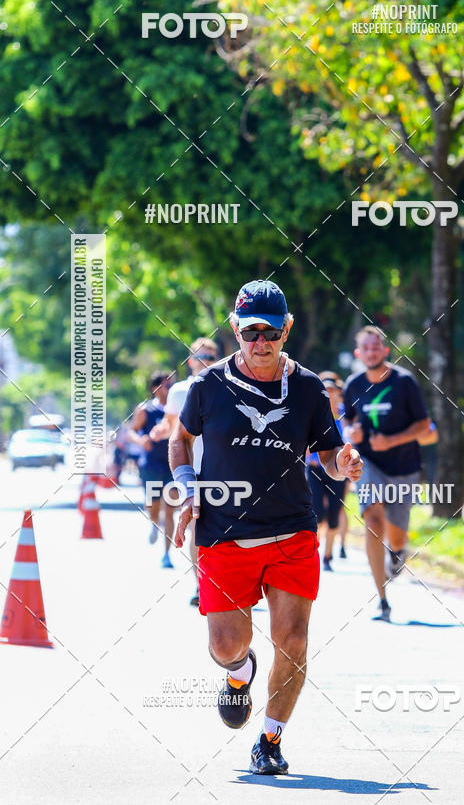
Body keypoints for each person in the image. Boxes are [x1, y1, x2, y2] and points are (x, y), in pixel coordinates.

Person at [170, 279, 362, 774]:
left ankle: (270, 740)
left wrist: (342, 463)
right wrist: (188, 490)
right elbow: (180, 440)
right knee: (225, 646)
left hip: (291, 531)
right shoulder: (209, 385)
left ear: (286, 330)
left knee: (293, 641)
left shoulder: (308, 388)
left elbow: (328, 455)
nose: (261, 342)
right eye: (250, 331)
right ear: (235, 329)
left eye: (271, 332)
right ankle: (239, 672)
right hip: (222, 533)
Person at [343, 326, 432, 622]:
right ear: (359, 353)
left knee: (396, 535)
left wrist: (392, 441)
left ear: (385, 350)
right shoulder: (354, 385)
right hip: (369, 463)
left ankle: (397, 552)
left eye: (376, 347)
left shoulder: (404, 382)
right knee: (372, 520)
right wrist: (352, 433)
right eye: (366, 348)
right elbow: (347, 422)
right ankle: (381, 600)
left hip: (405, 467)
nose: (371, 353)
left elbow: (424, 425)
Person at [150, 338, 219, 605]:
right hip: (191, 469)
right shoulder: (179, 391)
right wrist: (159, 432)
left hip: (222, 469)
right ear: (191, 361)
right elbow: (171, 426)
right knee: (196, 530)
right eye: (202, 357)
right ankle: (201, 587)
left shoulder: (227, 386)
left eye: (211, 357)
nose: (207, 361)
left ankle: (223, 585)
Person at [129, 371, 174, 568]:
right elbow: (131, 432)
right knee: (154, 507)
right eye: (166, 385)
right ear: (155, 388)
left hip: (172, 465)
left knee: (170, 510)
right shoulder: (145, 409)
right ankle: (154, 524)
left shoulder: (176, 408)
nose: (170, 388)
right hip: (151, 465)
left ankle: (167, 554)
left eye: (171, 384)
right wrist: (141, 440)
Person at [305, 372, 347, 571]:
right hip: (314, 469)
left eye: (333, 390)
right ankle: (314, 549)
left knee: (334, 514)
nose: (329, 393)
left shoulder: (346, 415)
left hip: (338, 471)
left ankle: (328, 556)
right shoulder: (312, 411)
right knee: (317, 513)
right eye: (326, 389)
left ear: (338, 393)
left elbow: (352, 437)